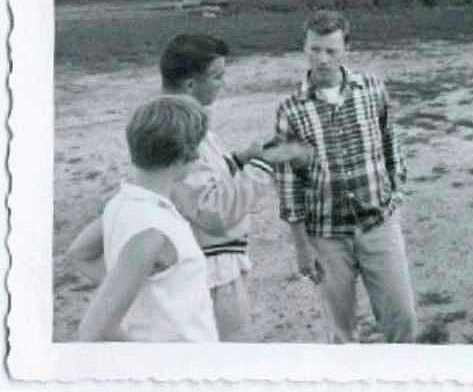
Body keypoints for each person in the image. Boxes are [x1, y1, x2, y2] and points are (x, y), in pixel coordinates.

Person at [68, 34, 310, 341]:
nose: (223, 83)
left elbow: (80, 252)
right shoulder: (155, 223)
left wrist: (239, 160)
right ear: (190, 85)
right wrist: (264, 165)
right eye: (218, 76)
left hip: (198, 280)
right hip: (214, 275)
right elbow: (214, 212)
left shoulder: (129, 194)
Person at [274, 10, 417, 343]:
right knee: (341, 333)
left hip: (379, 224)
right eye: (314, 49)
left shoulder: (372, 89)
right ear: (304, 48)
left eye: (331, 51)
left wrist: (395, 192)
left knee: (403, 318)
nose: (322, 60)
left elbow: (389, 141)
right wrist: (301, 246)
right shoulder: (290, 109)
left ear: (346, 50)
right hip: (327, 234)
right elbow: (288, 183)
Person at [78, 95, 217, 341]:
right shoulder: (154, 229)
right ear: (183, 153)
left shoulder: (122, 202)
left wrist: (136, 291)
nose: (199, 157)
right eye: (196, 147)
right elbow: (94, 330)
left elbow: (80, 254)